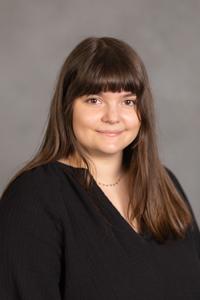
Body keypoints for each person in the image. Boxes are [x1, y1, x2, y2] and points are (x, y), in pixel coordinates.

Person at [0, 36, 200, 300]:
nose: (113, 116)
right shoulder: (33, 198)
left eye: (128, 101)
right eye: (95, 100)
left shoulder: (164, 183)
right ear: (67, 106)